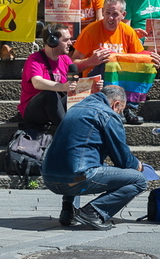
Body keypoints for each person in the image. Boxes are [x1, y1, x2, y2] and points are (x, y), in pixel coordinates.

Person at [42, 85, 148, 230]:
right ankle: (93, 212)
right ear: (115, 104)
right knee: (139, 180)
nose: (120, 115)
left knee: (76, 163)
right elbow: (123, 160)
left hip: (50, 178)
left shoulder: (75, 108)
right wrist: (138, 165)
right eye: (120, 111)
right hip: (77, 178)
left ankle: (68, 211)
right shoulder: (107, 114)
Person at [71, 0, 160, 125]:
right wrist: (91, 61)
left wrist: (152, 57)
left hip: (120, 82)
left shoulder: (128, 31)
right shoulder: (90, 31)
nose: (110, 18)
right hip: (97, 81)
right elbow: (71, 64)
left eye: (115, 14)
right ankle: (114, 108)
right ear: (102, 12)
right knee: (109, 61)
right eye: (107, 13)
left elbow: (139, 56)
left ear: (123, 15)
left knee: (148, 61)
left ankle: (128, 107)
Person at [19, 24, 87, 127]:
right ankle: (66, 130)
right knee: (50, 94)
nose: (70, 43)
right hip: (35, 110)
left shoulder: (66, 59)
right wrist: (62, 87)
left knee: (86, 94)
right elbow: (37, 82)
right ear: (52, 41)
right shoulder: (35, 59)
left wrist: (92, 86)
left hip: (57, 106)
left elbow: (74, 86)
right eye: (66, 40)